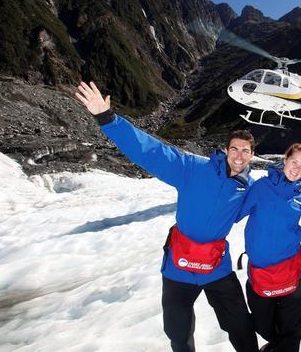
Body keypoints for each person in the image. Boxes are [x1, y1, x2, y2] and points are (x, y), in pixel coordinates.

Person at [74, 81, 259, 352]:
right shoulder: (193, 170)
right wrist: (107, 119)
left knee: (240, 325)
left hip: (216, 266)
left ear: (252, 156)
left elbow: (274, 203)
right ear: (225, 150)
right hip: (179, 264)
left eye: (245, 151)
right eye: (234, 148)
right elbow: (151, 152)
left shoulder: (248, 189)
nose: (239, 155)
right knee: (177, 329)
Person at [238, 143, 301, 352]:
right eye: (294, 162)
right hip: (261, 272)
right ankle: (275, 345)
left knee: (291, 329)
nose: (297, 168)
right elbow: (235, 211)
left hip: (293, 271)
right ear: (285, 159)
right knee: (263, 325)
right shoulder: (262, 187)